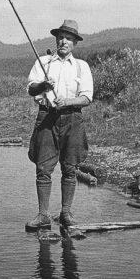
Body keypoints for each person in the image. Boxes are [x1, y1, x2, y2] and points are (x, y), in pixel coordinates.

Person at [25, 19, 93, 231]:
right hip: (47, 117)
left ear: (74, 43)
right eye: (61, 37)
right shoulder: (43, 62)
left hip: (73, 119)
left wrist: (68, 102)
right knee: (43, 168)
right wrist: (43, 86)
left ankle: (66, 213)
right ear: (56, 39)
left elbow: (87, 98)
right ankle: (43, 215)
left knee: (70, 168)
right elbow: (31, 89)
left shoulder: (82, 67)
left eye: (69, 39)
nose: (64, 41)